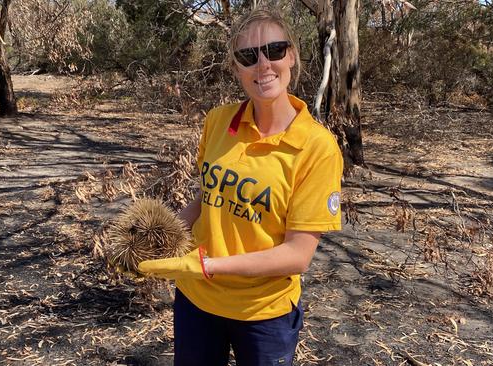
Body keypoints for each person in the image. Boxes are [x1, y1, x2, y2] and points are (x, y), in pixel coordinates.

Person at [138, 7, 344, 366]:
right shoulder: (218, 122)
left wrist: (210, 265)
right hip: (197, 301)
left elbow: (298, 255)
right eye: (248, 56)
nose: (263, 65)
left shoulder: (317, 148)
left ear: (291, 56)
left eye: (275, 50)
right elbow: (208, 199)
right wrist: (157, 239)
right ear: (236, 68)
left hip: (264, 313)